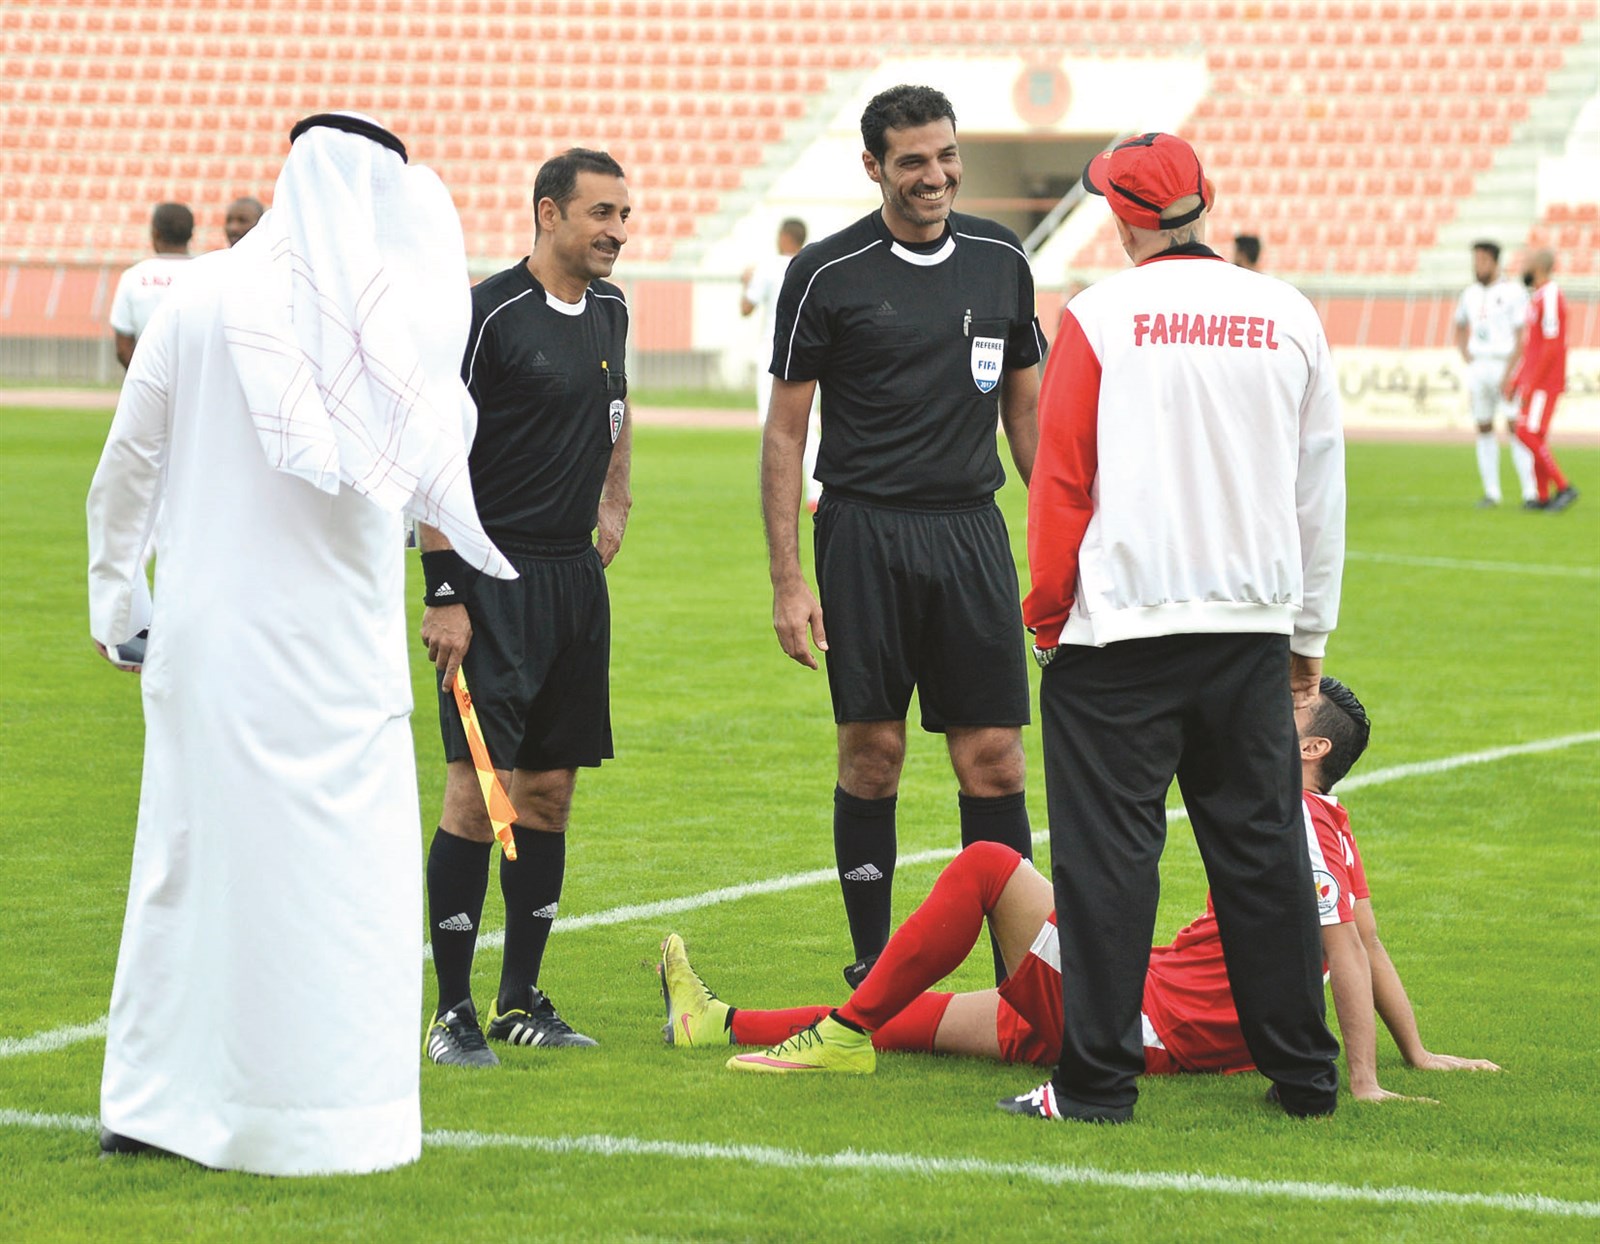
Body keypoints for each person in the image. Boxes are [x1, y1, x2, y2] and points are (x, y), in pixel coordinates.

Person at [86, 112, 511, 1174]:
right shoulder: (396, 321)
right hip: (335, 661)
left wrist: (118, 606)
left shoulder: (198, 302)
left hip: (207, 647)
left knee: (183, 872)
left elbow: (126, 470)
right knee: (335, 892)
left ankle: (150, 1102)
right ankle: (327, 1119)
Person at [660, 680, 1501, 1107]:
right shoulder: (1332, 821)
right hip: (1149, 1007)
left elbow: (1346, 949)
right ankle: (719, 1024)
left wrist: (1363, 1080)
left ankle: (840, 1033)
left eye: (1288, 702)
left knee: (990, 865)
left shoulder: (1300, 825)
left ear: (1311, 745)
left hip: (1141, 1016)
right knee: (930, 1019)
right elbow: (1371, 941)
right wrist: (1416, 1052)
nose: (1263, 699)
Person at [1024, 132, 1347, 1122]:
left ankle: (1095, 1085)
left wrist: (1044, 617)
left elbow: (1059, 478)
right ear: (1203, 204)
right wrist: (1307, 634)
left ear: (1120, 219)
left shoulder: (1097, 315)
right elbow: (1317, 489)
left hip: (1115, 628)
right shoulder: (1287, 312)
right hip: (1246, 629)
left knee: (1107, 864)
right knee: (1261, 856)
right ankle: (1303, 1074)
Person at [760, 84, 1044, 987]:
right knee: (872, 753)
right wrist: (788, 580)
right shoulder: (827, 273)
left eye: (947, 155)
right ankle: (873, 965)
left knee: (993, 758)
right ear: (874, 166)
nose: (937, 175)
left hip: (970, 534)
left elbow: (1027, 414)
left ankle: (1015, 973)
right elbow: (784, 431)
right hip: (863, 533)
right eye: (913, 160)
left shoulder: (1003, 257)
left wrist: (1073, 543)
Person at [418, 148, 634, 1066]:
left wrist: (616, 499)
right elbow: (435, 456)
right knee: (478, 793)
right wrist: (442, 592)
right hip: (489, 582)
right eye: (601, 214)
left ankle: (520, 1000)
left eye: (625, 215)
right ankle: (453, 1011)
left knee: (549, 790)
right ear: (548, 214)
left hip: (573, 584)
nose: (617, 232)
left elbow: (620, 413)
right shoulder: (485, 315)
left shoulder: (615, 311)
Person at [742, 217, 820, 509]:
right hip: (811, 353)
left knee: (774, 424)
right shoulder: (811, 264)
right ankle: (815, 491)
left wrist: (746, 283)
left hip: (774, 354)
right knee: (809, 423)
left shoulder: (770, 266)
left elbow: (746, 308)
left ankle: (778, 493)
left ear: (784, 237)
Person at [1453, 240, 1534, 508]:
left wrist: (1511, 370)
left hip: (1504, 363)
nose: (1478, 266)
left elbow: (1522, 334)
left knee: (1515, 427)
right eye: (1475, 261)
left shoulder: (1513, 292)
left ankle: (1529, 491)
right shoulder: (1470, 294)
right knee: (1484, 426)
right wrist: (1466, 354)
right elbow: (1459, 325)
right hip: (1480, 364)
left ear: (1495, 262)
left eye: (1483, 261)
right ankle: (1492, 492)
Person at [1504, 248, 1578, 512]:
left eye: (1527, 263)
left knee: (1526, 432)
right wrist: (1517, 379)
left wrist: (1532, 383)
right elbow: (1532, 346)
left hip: (1545, 382)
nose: (1522, 267)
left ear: (1538, 266)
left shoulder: (1550, 295)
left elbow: (1551, 345)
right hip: (1536, 379)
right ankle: (1543, 496)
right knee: (1537, 435)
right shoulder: (1536, 297)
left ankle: (1564, 486)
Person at [109, 202, 193, 369]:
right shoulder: (208, 273)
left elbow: (123, 348)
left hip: (147, 385)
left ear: (155, 233)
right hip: (196, 387)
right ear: (191, 234)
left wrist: (146, 379)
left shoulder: (133, 277)